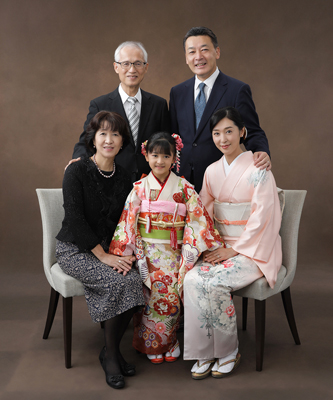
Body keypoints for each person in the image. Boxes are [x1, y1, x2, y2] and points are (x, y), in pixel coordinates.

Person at [183, 106, 282, 380]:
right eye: (216, 133)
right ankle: (203, 351)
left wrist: (234, 249)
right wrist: (211, 245)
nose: (223, 139)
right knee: (191, 279)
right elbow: (203, 213)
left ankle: (228, 351)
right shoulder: (212, 171)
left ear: (242, 132)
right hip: (221, 247)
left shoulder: (259, 168)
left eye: (229, 131)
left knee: (216, 282)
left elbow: (264, 217)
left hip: (253, 249)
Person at [109, 132, 224, 364]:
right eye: (154, 155)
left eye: (165, 156)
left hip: (175, 253)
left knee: (171, 295)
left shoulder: (184, 187)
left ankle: (170, 341)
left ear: (174, 159)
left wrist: (191, 250)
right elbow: (128, 220)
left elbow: (198, 220)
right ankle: (151, 344)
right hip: (147, 253)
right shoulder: (140, 187)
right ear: (146, 156)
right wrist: (127, 251)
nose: (159, 161)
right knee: (149, 295)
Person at [56, 111, 145, 390]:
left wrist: (126, 252)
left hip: (109, 249)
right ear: (93, 139)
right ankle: (112, 360)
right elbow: (75, 219)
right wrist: (104, 256)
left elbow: (127, 221)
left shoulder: (125, 178)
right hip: (74, 249)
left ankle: (110, 350)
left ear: (122, 142)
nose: (109, 139)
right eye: (103, 133)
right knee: (116, 281)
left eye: (115, 134)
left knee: (135, 279)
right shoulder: (77, 171)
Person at [169, 26, 271, 192]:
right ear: (186, 58)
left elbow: (252, 131)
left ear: (217, 52)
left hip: (223, 179)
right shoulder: (177, 92)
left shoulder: (237, 90)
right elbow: (172, 136)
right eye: (192, 52)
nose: (198, 57)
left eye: (204, 50)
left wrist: (261, 151)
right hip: (182, 182)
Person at [72, 41, 171, 182]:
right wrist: (78, 163)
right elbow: (86, 142)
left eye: (138, 63)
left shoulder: (159, 104)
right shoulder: (100, 105)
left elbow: (166, 143)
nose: (132, 70)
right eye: (125, 64)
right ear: (116, 67)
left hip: (150, 182)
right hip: (112, 180)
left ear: (146, 67)